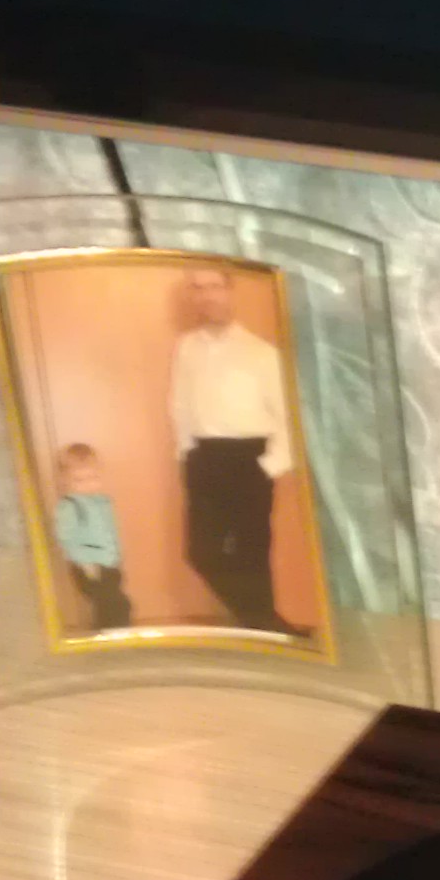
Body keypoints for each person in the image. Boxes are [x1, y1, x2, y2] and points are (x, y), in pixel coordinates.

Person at [168, 263, 303, 633]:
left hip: (250, 458)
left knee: (252, 550)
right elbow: (179, 404)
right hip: (204, 458)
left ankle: (265, 625)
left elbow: (288, 415)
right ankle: (266, 623)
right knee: (201, 553)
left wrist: (269, 467)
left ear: (229, 290)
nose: (206, 295)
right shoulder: (186, 347)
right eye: (197, 288)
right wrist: (186, 455)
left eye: (214, 286)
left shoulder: (262, 353)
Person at [51, 443, 133, 631]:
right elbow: (66, 539)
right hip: (90, 566)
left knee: (113, 603)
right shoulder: (69, 506)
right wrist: (85, 563)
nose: (88, 485)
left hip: (110, 562)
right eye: (79, 480)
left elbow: (110, 530)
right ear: (65, 480)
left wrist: (118, 554)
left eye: (93, 478)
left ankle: (113, 634)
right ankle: (109, 635)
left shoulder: (102, 501)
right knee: (114, 604)